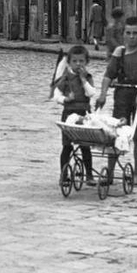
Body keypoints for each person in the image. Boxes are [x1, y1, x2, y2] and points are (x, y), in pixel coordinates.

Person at [97, 16, 137, 186]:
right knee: (117, 132)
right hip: (121, 93)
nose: (131, 37)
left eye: (135, 33)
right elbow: (108, 75)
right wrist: (102, 94)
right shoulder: (119, 53)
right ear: (123, 35)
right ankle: (110, 171)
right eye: (128, 33)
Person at [52, 44, 97, 185]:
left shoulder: (87, 76)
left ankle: (89, 174)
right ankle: (63, 174)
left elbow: (91, 93)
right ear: (69, 62)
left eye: (81, 61)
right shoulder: (66, 78)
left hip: (83, 113)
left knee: (85, 145)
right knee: (67, 146)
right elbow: (56, 95)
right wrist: (65, 99)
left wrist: (83, 80)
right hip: (69, 113)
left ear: (86, 62)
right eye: (75, 61)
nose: (78, 64)